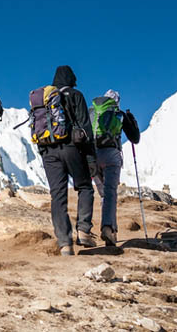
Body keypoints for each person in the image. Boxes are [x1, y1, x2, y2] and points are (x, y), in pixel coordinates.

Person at [42, 65, 96, 255]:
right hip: (72, 148)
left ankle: (65, 243)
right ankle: (83, 231)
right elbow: (86, 130)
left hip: (49, 151)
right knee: (85, 187)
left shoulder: (46, 98)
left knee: (57, 196)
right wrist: (91, 160)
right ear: (71, 79)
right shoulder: (76, 95)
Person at [89, 89, 141, 247]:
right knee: (110, 193)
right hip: (111, 155)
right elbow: (135, 138)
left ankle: (110, 230)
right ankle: (108, 228)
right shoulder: (119, 114)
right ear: (117, 102)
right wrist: (133, 123)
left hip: (92, 155)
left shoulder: (91, 112)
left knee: (103, 194)